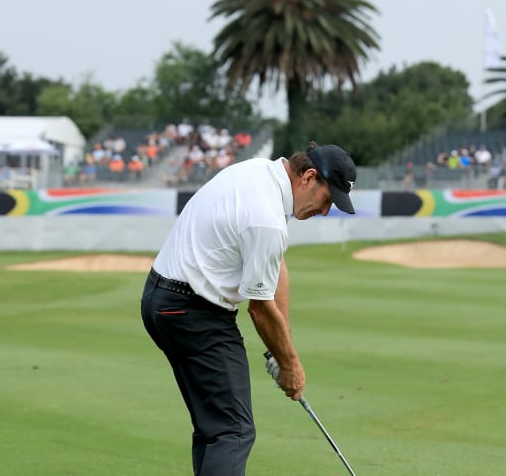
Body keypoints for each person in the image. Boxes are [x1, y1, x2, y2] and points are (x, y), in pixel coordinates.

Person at [141, 142, 357, 475]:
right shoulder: (266, 219)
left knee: (215, 429)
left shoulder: (260, 172)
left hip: (163, 300)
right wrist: (291, 366)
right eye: (328, 200)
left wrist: (280, 351)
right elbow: (259, 309)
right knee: (233, 431)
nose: (326, 211)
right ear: (309, 177)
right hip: (193, 313)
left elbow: (276, 266)